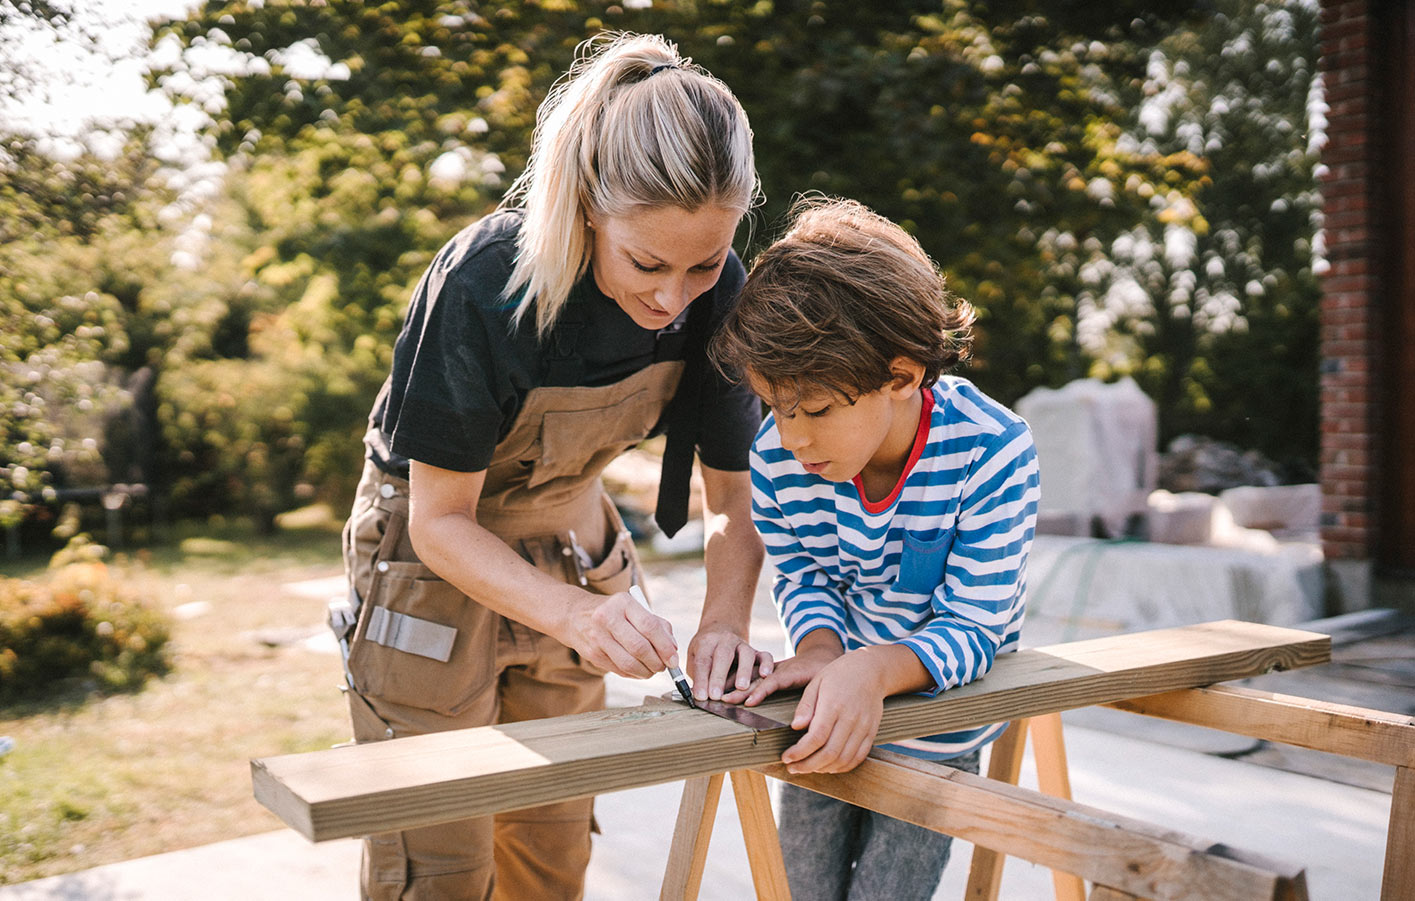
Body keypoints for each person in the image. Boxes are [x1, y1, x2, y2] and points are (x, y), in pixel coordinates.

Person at [337, 33, 770, 900]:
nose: (671, 298)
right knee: (440, 857)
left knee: (553, 842)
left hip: (572, 539)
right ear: (584, 210)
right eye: (646, 262)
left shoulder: (720, 293)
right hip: (429, 561)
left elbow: (734, 500)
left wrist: (723, 621)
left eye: (703, 263)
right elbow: (440, 520)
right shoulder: (484, 284)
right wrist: (575, 614)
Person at [709, 197, 1041, 900]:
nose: (793, 437)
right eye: (776, 406)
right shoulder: (775, 457)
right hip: (827, 711)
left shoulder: (992, 450)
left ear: (900, 376)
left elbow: (976, 625)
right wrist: (826, 650)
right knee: (802, 889)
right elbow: (801, 569)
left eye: (817, 410)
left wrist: (873, 671)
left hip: (936, 727)